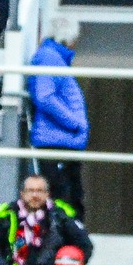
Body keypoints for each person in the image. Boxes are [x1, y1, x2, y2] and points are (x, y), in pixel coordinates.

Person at [29, 17, 89, 213]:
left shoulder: (54, 58)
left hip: (62, 141)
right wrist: (74, 123)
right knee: (64, 201)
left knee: (71, 200)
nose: (76, 43)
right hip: (56, 142)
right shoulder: (49, 57)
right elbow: (45, 97)